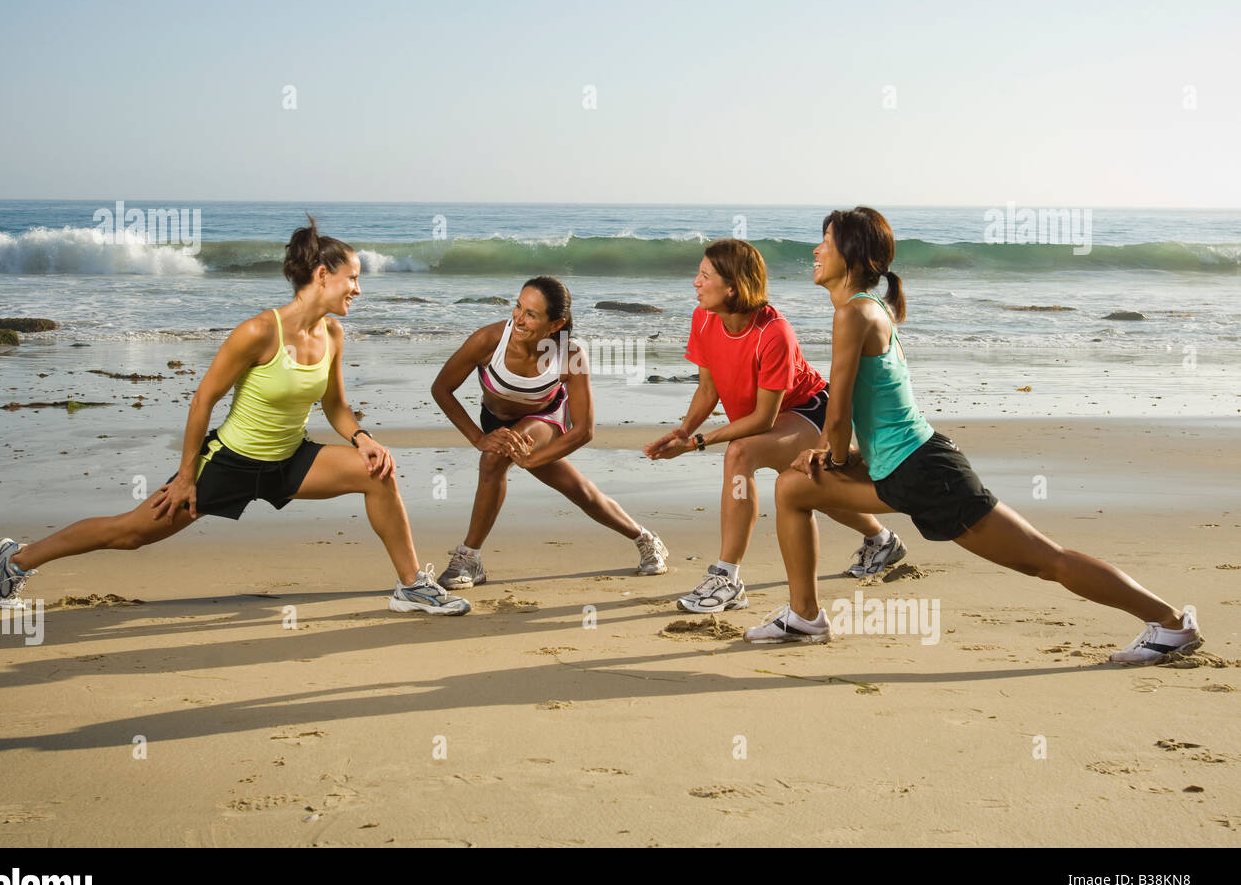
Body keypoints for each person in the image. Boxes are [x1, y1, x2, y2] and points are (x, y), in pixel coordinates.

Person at [750, 206, 1202, 666]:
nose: (816, 249)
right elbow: (873, 414)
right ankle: (805, 615)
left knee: (1045, 561)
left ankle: (1169, 622)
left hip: (925, 473)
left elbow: (840, 409)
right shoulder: (867, 308)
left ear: (851, 253)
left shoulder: (854, 313)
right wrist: (836, 455)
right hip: (904, 467)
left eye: (825, 240)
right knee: (791, 488)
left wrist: (833, 456)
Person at [0, 215, 468, 616]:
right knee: (130, 532)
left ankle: (410, 587)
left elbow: (335, 406)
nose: (358, 290)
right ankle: (17, 560)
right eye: (353, 277)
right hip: (229, 462)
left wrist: (363, 438)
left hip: (290, 460)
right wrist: (186, 476)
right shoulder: (258, 331)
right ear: (323, 274)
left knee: (377, 472)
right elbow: (203, 400)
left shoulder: (333, 335)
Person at [644, 239, 902, 614]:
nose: (695, 283)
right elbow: (707, 389)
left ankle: (726, 578)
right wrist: (684, 431)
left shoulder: (773, 332)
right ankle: (882, 539)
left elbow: (763, 419)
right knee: (812, 489)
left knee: (740, 452)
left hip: (810, 410)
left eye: (704, 275)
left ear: (732, 286)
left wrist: (700, 441)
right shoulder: (704, 317)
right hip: (778, 419)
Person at [430, 276, 669, 587]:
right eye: (518, 306)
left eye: (531, 314)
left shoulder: (570, 356)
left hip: (548, 420)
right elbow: (442, 389)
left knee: (493, 459)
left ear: (555, 325)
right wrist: (478, 437)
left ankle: (468, 559)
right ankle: (645, 539)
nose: (518, 317)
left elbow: (584, 430)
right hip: (494, 421)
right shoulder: (488, 341)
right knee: (580, 491)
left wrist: (529, 460)